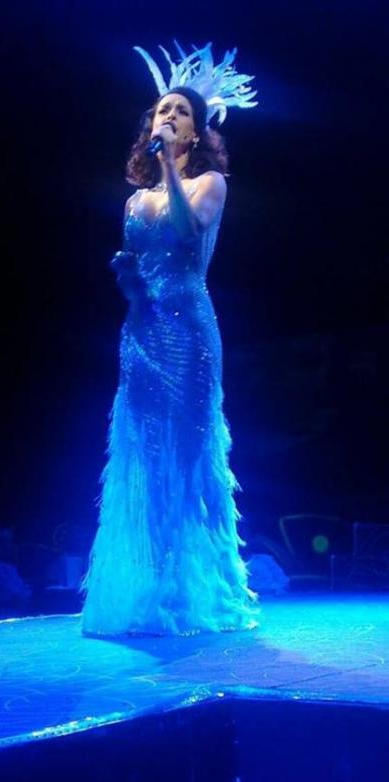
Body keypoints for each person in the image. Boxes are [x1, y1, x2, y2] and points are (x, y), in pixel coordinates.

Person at [81, 43, 259, 635]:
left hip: (190, 332)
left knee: (185, 452)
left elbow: (188, 230)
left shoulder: (211, 182)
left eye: (181, 112)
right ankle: (143, 588)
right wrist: (127, 282)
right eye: (163, 110)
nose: (170, 117)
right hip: (141, 333)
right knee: (143, 451)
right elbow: (136, 274)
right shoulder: (134, 201)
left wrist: (168, 171)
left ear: (194, 132)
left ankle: (188, 591)